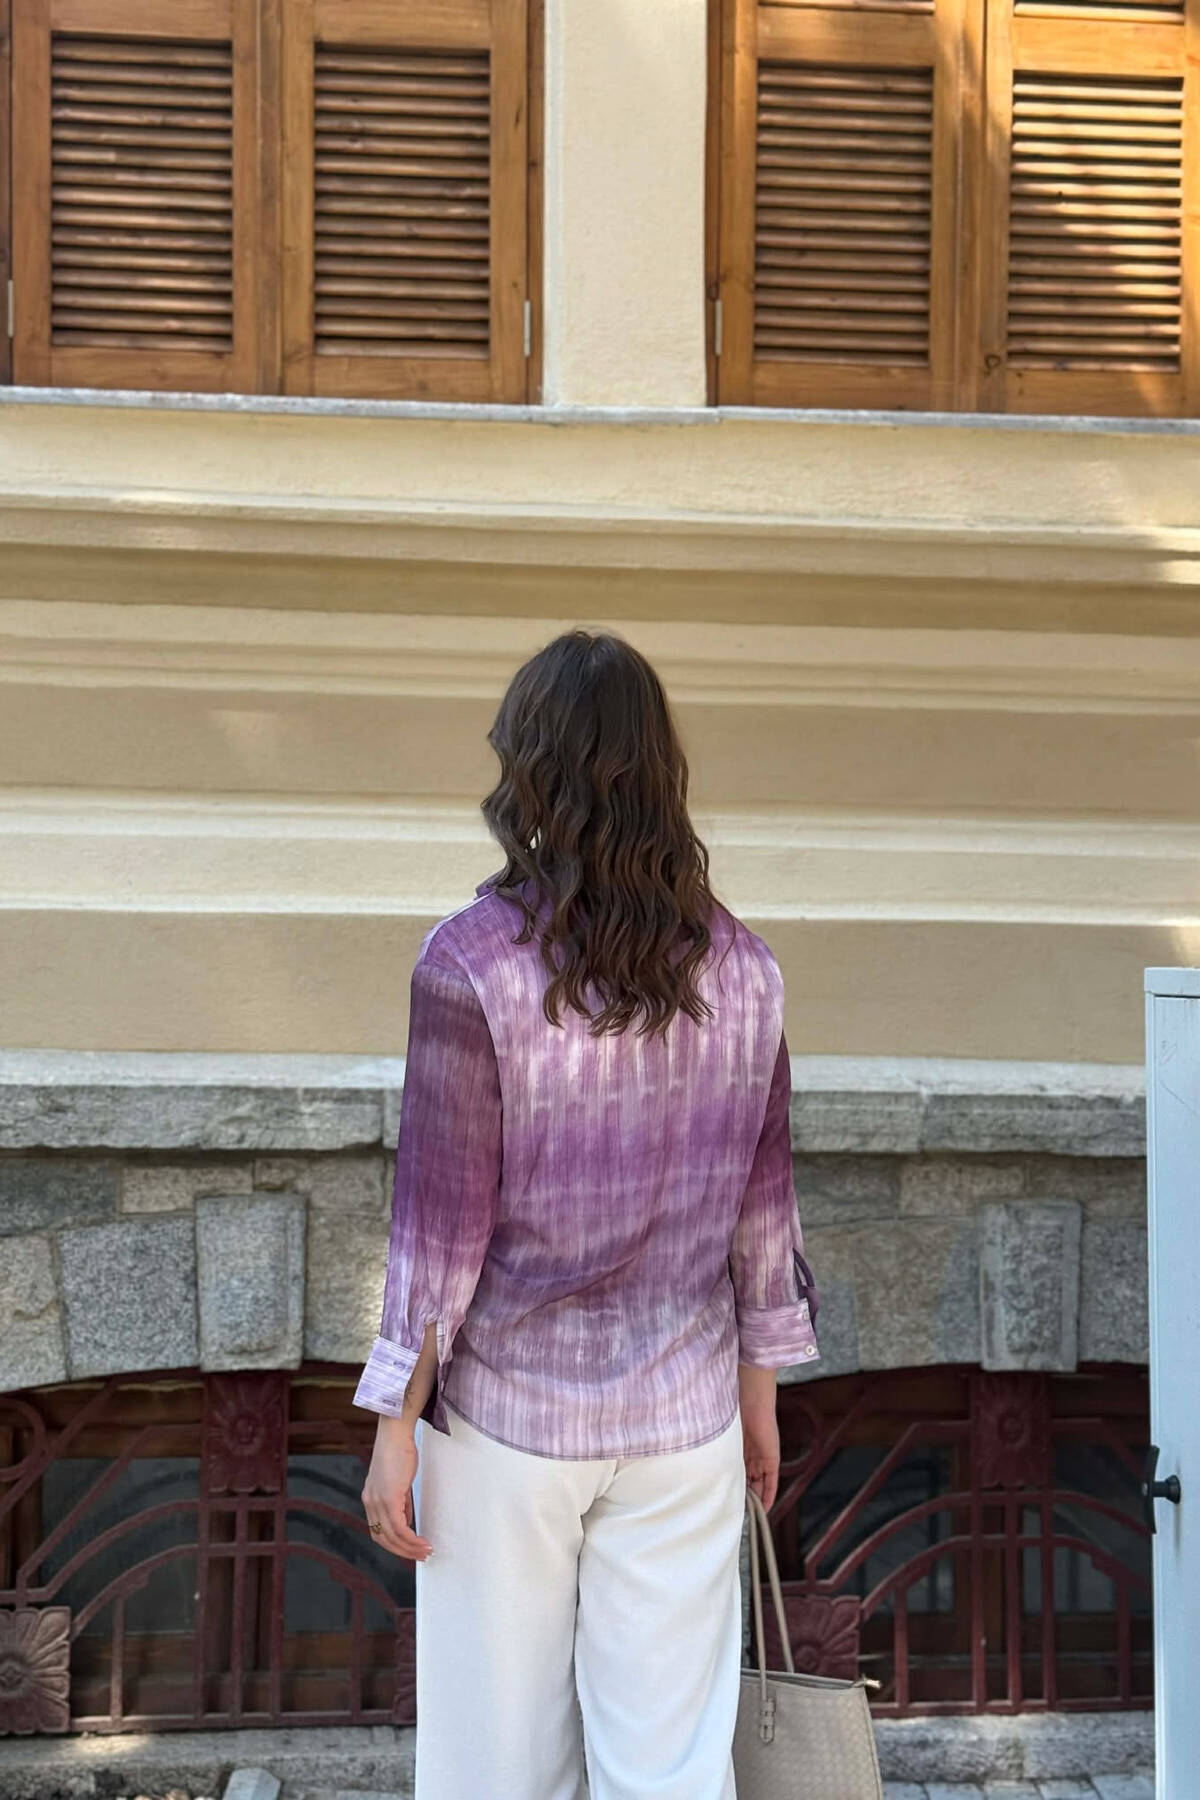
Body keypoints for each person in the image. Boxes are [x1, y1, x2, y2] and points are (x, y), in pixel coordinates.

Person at [354, 628, 821, 1800]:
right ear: (663, 773)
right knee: (669, 1766)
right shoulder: (748, 971)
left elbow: (438, 1232)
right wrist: (759, 1395)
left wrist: (395, 1421)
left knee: (496, 1763)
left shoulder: (469, 966)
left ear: (527, 772)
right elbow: (766, 1211)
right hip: (686, 1412)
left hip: (507, 1421)